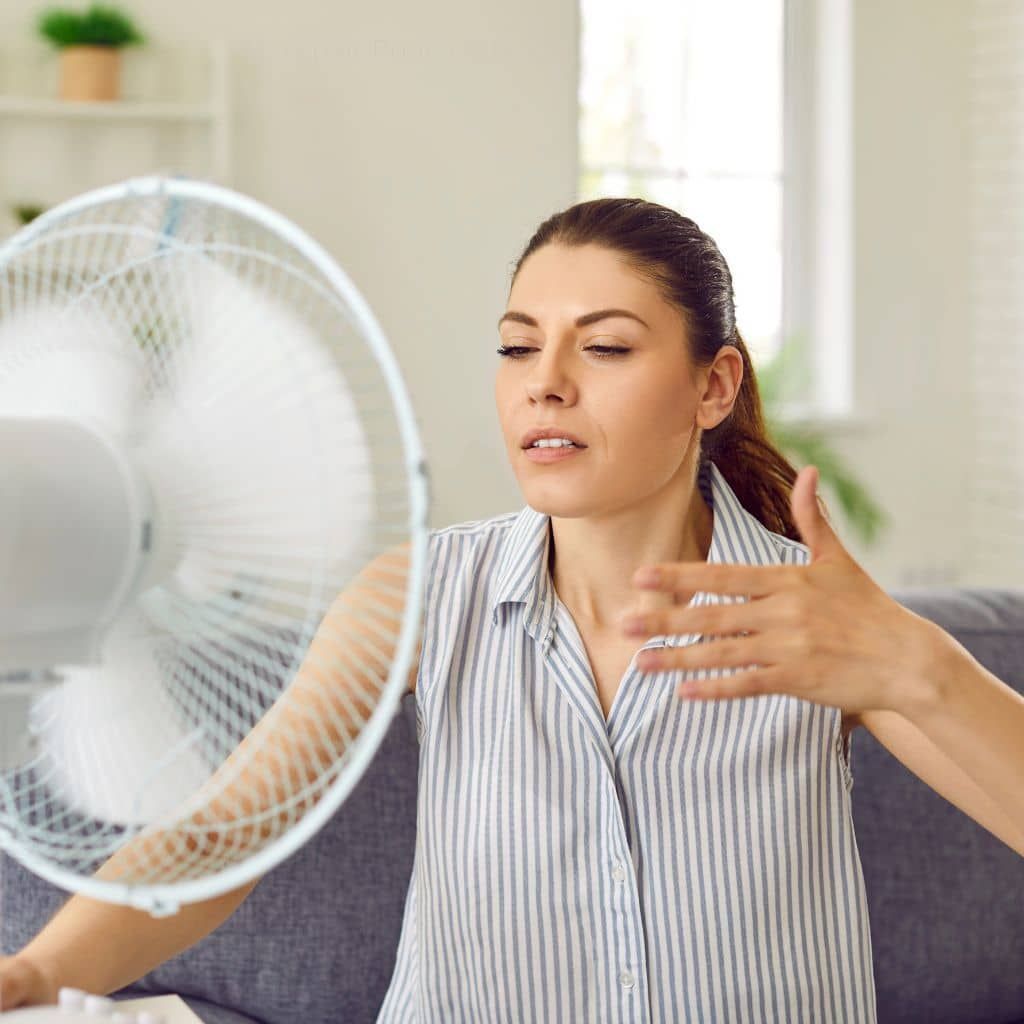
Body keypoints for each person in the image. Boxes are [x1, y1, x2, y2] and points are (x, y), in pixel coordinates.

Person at [1, 197, 1020, 1022]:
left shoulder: (809, 616)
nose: (547, 386)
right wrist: (38, 972)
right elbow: (221, 833)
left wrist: (916, 666)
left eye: (606, 348)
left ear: (712, 387)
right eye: (517, 348)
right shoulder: (416, 595)